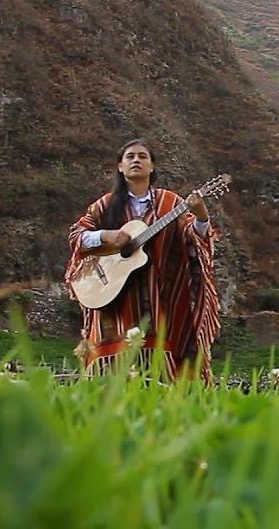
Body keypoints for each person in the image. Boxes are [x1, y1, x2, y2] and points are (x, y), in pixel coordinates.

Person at [64, 139, 221, 381]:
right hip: (113, 305)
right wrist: (107, 236)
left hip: (160, 300)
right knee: (111, 380)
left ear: (152, 166)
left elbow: (195, 240)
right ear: (120, 166)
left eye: (142, 156)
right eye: (130, 157)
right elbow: (77, 236)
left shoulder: (172, 203)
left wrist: (201, 216)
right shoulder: (105, 205)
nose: (136, 160)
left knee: (162, 373)